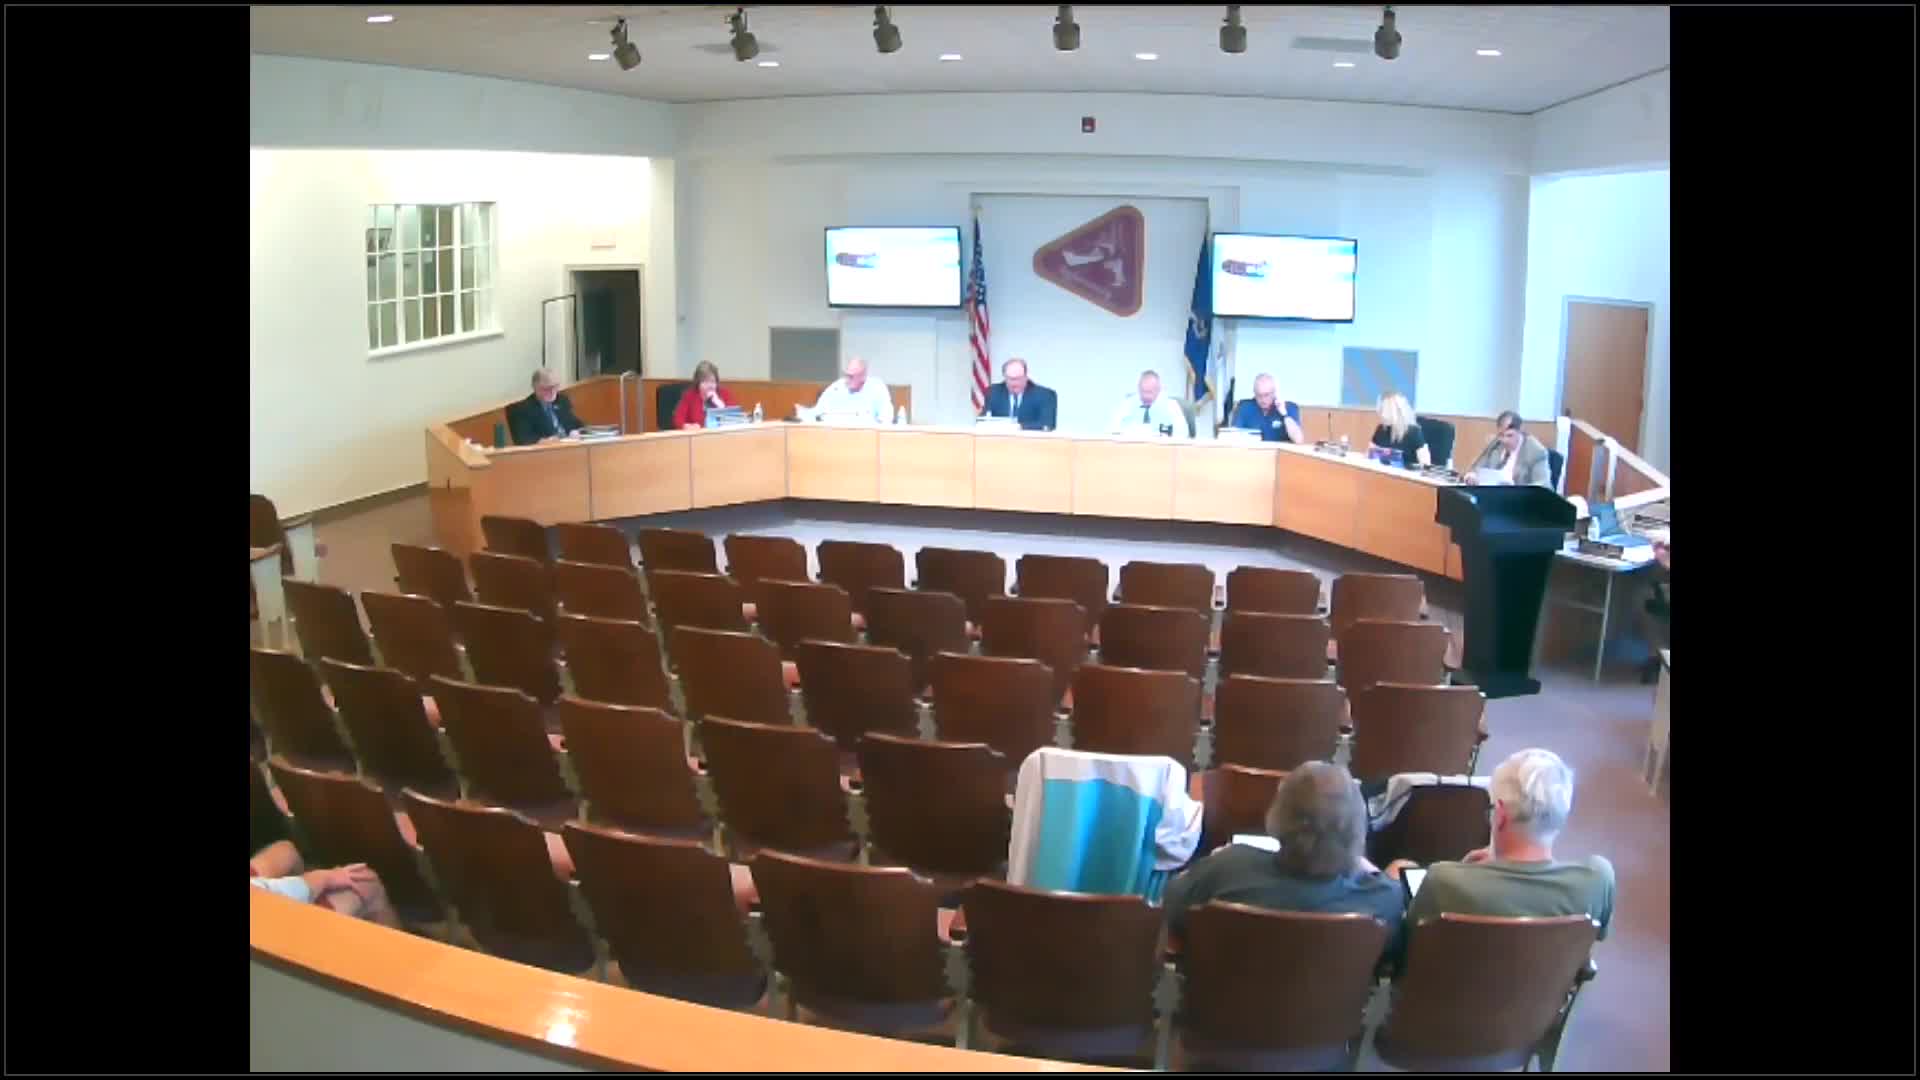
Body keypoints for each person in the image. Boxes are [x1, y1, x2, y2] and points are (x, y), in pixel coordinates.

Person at [1163, 762, 1406, 962]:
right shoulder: (1384, 900)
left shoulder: (1225, 867)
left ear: (1279, 815)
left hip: (1222, 1003)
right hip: (1329, 1009)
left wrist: (1209, 867)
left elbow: (1172, 906)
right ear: (1357, 829)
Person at [1404, 748, 1616, 941]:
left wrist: (1462, 872)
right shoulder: (1598, 879)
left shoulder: (1443, 881)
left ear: (1501, 815)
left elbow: (1408, 943)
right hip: (1549, 974)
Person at [250, 775, 400, 928]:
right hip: (273, 926)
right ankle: (396, 943)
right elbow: (287, 891)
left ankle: (321, 912)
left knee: (285, 852)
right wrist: (326, 877)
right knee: (365, 881)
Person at [1463, 410, 1551, 487]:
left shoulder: (1536, 451)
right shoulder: (1496, 444)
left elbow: (1543, 485)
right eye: (1501, 435)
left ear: (1520, 431)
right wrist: (1471, 476)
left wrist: (1515, 489)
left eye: (1510, 435)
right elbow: (1477, 468)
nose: (1505, 440)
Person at [505, 368, 585, 445]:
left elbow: (576, 424)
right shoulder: (521, 409)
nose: (552, 391)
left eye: (555, 386)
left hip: (570, 447)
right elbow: (523, 440)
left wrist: (576, 431)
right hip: (546, 451)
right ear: (535, 387)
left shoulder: (562, 400)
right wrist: (544, 441)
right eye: (547, 388)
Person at [1109, 370, 1191, 440]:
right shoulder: (1127, 404)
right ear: (1138, 388)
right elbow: (1111, 431)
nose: (1145, 396)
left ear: (1159, 389)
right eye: (1143, 391)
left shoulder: (1171, 406)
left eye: (1149, 392)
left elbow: (1182, 435)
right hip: (1131, 449)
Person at [981, 358, 1058, 432]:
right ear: (1004, 377)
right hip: (999, 439)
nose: (1014, 383)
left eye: (1018, 378)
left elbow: (1047, 424)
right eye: (1010, 379)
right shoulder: (994, 392)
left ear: (1026, 377)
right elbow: (983, 420)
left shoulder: (1045, 395)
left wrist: (1018, 427)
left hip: (1030, 440)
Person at [812, 355, 895, 424]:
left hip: (866, 436)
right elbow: (816, 413)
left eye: (851, 377)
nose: (847, 380)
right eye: (846, 375)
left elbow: (886, 418)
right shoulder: (836, 387)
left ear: (863, 376)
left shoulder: (877, 387)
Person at [1227, 374, 1304, 443]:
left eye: (1266, 395)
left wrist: (1285, 415)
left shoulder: (1289, 407)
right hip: (1251, 452)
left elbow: (1298, 440)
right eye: (1259, 395)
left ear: (1274, 392)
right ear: (1254, 392)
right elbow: (1233, 437)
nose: (1263, 399)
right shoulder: (1244, 407)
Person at [672, 361, 738, 430]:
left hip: (721, 434)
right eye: (705, 382)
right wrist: (687, 426)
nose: (710, 386)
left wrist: (719, 404)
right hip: (697, 435)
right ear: (698, 383)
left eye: (712, 381)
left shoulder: (724, 393)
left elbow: (735, 419)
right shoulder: (689, 396)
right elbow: (677, 419)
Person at [1370, 391, 1430, 466]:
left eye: (1385, 410)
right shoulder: (1381, 429)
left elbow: (1425, 465)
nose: (1382, 414)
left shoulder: (1414, 432)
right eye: (1380, 409)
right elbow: (1370, 455)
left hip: (1404, 472)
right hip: (1381, 471)